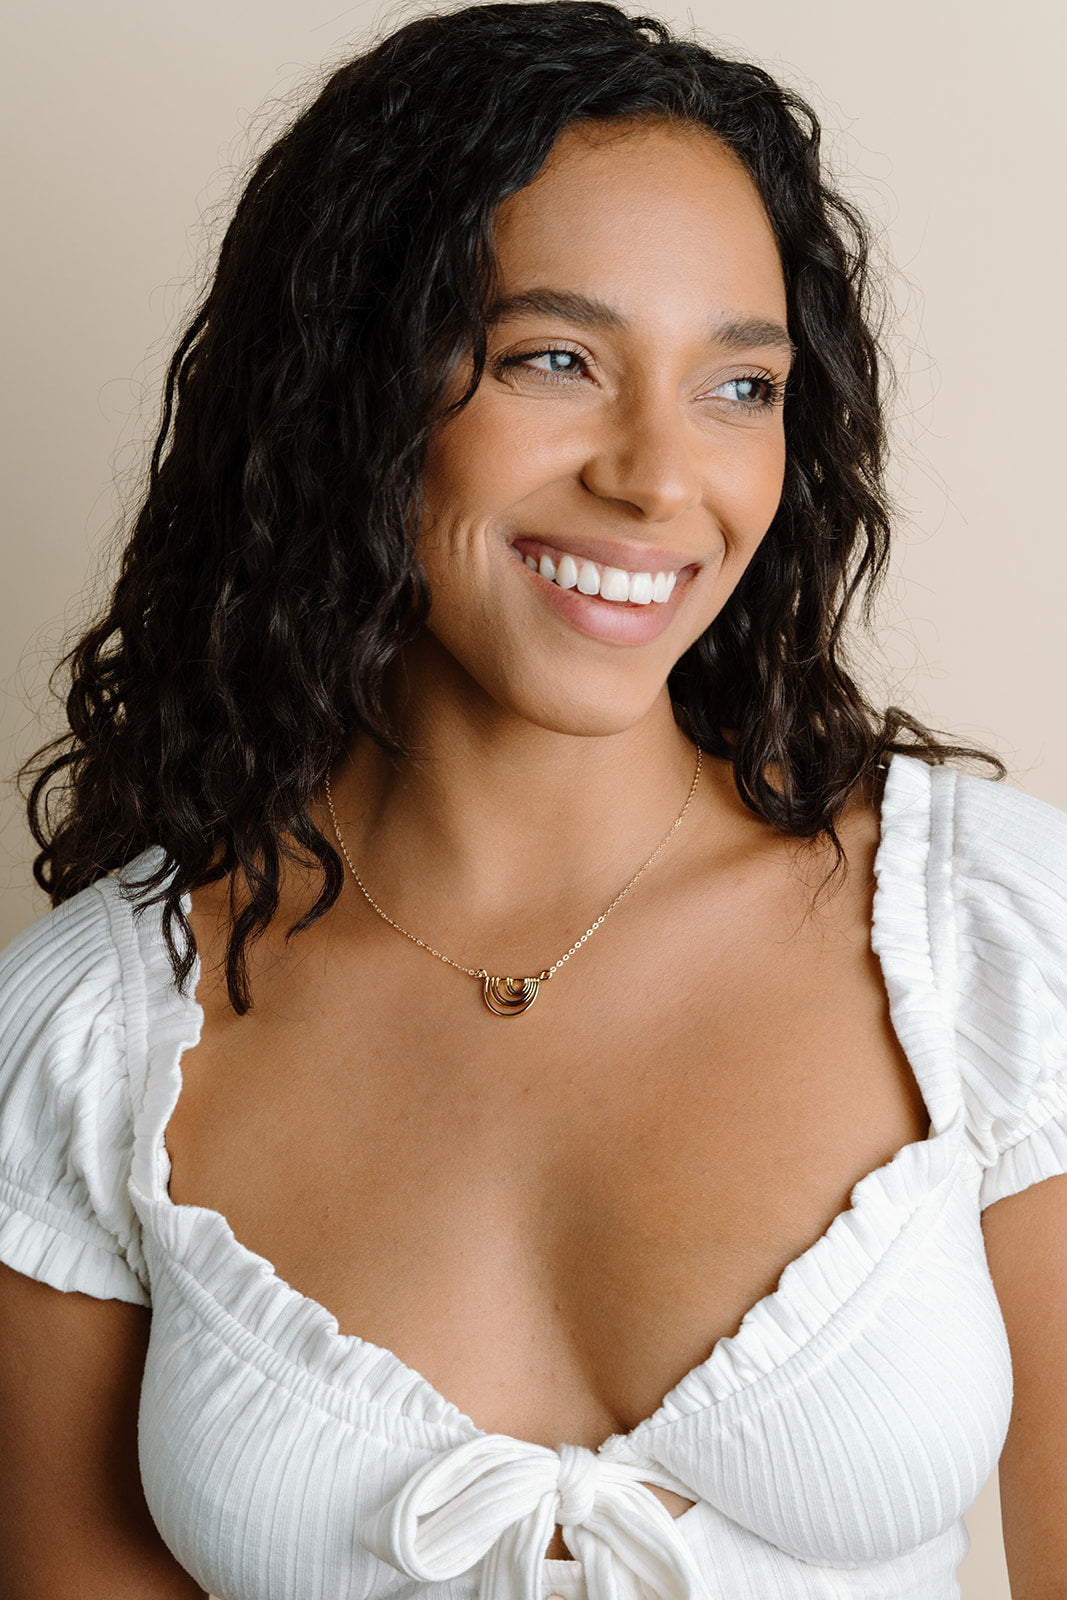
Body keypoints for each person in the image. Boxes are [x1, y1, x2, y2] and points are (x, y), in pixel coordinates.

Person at [1, 2, 1064, 1595]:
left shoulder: (996, 941)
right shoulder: (82, 1042)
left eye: (740, 385)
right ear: (348, 389)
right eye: (553, 360)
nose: (659, 477)